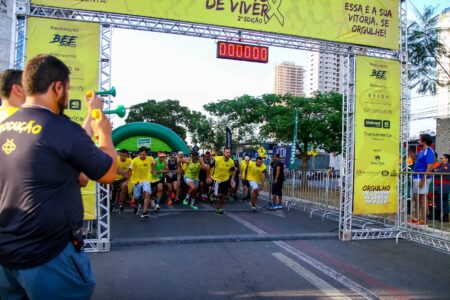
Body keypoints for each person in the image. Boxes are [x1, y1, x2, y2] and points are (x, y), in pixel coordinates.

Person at [0, 54, 117, 299]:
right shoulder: (61, 128)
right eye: (67, 88)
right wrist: (103, 132)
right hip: (48, 257)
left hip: (6, 256)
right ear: (57, 87)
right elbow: (107, 173)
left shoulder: (5, 126)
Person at [412, 134, 435, 224]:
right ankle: (416, 217)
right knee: (416, 197)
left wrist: (423, 179)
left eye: (420, 139)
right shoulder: (422, 151)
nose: (418, 140)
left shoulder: (429, 151)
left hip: (422, 177)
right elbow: (415, 160)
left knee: (422, 197)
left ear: (424, 140)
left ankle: (423, 218)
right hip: (416, 176)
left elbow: (429, 167)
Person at [129, 146, 154, 218]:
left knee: (147, 193)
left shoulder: (150, 158)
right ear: (138, 154)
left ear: (147, 154)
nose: (142, 156)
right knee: (137, 197)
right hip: (136, 181)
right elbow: (130, 171)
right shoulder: (134, 161)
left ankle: (145, 211)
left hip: (146, 179)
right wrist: (130, 180)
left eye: (144, 154)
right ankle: (138, 204)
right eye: (140, 154)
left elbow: (153, 163)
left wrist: (152, 169)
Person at [209, 147, 235, 214]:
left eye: (229, 152)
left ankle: (219, 208)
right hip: (216, 179)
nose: (228, 154)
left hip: (225, 180)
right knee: (218, 194)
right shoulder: (217, 159)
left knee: (224, 196)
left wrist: (232, 179)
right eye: (227, 152)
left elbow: (233, 171)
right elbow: (209, 167)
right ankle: (212, 194)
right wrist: (208, 177)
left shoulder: (231, 162)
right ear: (224, 153)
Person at [113, 149, 132, 213]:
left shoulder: (130, 161)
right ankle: (112, 202)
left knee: (124, 188)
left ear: (127, 156)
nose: (122, 157)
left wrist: (128, 180)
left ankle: (121, 204)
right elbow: (116, 169)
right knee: (114, 192)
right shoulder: (116, 160)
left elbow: (130, 170)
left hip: (124, 179)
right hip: (114, 179)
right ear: (119, 154)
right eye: (121, 155)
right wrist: (124, 173)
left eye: (124, 156)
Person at [433, 154, 450, 222]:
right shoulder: (440, 165)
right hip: (438, 185)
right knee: (438, 200)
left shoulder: (447, 166)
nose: (441, 160)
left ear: (446, 159)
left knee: (443, 201)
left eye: (442, 158)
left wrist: (435, 171)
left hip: (444, 186)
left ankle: (445, 216)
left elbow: (438, 171)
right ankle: (438, 215)